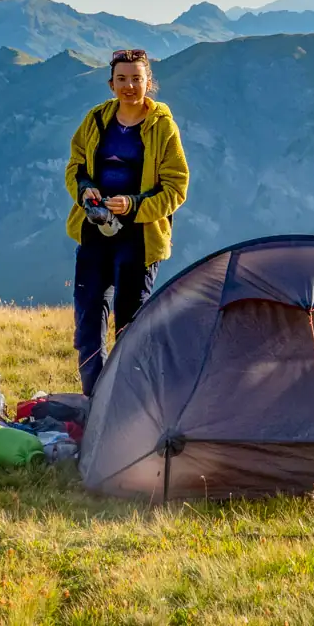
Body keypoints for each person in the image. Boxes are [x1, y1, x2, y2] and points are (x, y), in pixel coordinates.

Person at [64, 49, 189, 395]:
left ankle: (128, 402)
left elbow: (176, 189)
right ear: (111, 84)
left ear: (149, 83)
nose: (129, 86)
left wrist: (133, 205)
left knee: (130, 328)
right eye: (122, 79)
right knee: (88, 324)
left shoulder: (162, 127)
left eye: (136, 78)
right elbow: (75, 167)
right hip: (95, 232)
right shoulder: (96, 120)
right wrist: (85, 190)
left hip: (139, 239)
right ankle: (95, 399)